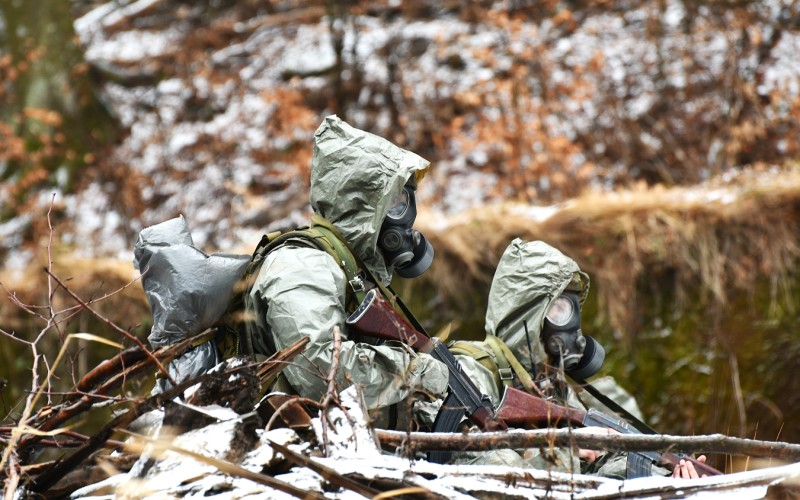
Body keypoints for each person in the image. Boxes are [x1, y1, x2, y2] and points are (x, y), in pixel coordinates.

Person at [235, 115, 448, 425]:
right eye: (396, 203)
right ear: (362, 203)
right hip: (298, 447)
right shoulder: (302, 266)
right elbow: (318, 371)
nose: (407, 218)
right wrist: (417, 371)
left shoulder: (350, 269)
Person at [442, 238, 706, 479]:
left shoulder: (554, 387)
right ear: (529, 312)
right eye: (558, 308)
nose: (572, 323)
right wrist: (564, 448)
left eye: (572, 308)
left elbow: (595, 470)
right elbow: (473, 463)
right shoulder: (471, 372)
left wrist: (657, 479)